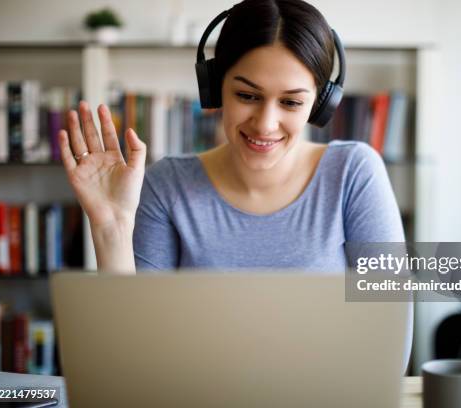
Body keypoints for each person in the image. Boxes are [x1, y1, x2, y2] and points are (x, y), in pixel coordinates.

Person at [59, 0, 405, 273]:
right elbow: (131, 346)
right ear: (214, 89)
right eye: (248, 96)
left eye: (291, 102)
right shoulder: (166, 186)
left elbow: (389, 331)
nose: (266, 124)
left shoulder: (355, 174)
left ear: (320, 104)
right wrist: (113, 227)